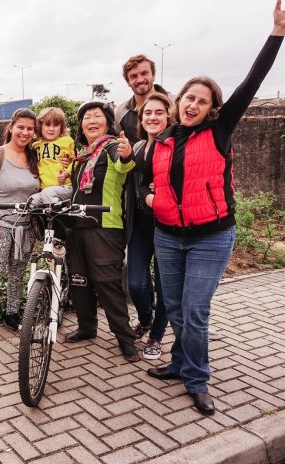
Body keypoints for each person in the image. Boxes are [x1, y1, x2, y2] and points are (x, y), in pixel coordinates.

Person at [140, 2, 284, 416]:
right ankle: (179, 362)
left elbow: (252, 84)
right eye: (189, 97)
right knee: (173, 308)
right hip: (168, 235)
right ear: (178, 100)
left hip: (211, 237)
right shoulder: (162, 139)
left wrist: (276, 35)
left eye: (202, 101)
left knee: (194, 310)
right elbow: (151, 184)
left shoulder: (220, 131)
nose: (193, 105)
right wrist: (154, 200)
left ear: (211, 108)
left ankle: (197, 378)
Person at [64, 101, 139, 363]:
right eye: (86, 117)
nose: (91, 120)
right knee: (79, 280)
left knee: (107, 283)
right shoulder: (83, 155)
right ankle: (87, 327)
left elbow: (124, 165)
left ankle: (125, 338)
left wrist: (127, 153)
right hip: (77, 226)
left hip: (105, 227)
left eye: (97, 116)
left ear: (107, 122)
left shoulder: (110, 148)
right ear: (81, 125)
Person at [0, 108, 40, 343]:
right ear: (11, 127)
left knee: (17, 274)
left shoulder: (33, 157)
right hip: (0, 226)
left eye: (30, 129)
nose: (25, 132)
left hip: (26, 228)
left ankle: (12, 314)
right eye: (21, 127)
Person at [126, 93, 173, 360]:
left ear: (168, 116)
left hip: (167, 227)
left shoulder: (175, 145)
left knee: (163, 286)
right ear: (141, 119)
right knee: (135, 283)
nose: (153, 117)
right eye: (147, 113)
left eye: (158, 112)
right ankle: (145, 318)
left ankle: (156, 334)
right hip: (141, 226)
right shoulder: (138, 147)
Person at [114, 54, 169, 145]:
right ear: (128, 82)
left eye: (144, 73)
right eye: (133, 76)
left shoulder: (174, 105)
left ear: (153, 75)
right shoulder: (119, 113)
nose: (140, 80)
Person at [30, 107, 77, 206]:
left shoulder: (67, 141)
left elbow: (77, 161)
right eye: (47, 125)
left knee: (49, 194)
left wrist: (66, 173)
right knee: (31, 201)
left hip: (64, 187)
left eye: (55, 125)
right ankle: (40, 221)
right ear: (40, 126)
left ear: (61, 127)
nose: (51, 129)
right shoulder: (36, 146)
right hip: (44, 190)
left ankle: (58, 217)